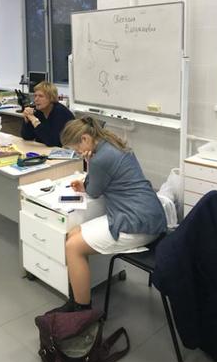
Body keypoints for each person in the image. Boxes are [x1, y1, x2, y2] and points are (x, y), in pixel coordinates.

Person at [53, 117, 167, 313]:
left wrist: (88, 163)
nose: (78, 153)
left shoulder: (99, 158)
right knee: (73, 234)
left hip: (137, 223)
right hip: (149, 215)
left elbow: (94, 192)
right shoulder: (111, 143)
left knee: (72, 247)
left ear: (85, 138)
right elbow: (101, 183)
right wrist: (87, 182)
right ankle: (79, 295)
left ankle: (81, 308)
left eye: (77, 149)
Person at [21, 81, 74, 147]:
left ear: (51, 98)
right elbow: (27, 136)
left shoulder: (60, 112)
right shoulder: (38, 111)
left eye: (41, 96)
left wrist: (34, 120)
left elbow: (53, 142)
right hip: (44, 149)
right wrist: (27, 119)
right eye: (35, 96)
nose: (36, 99)